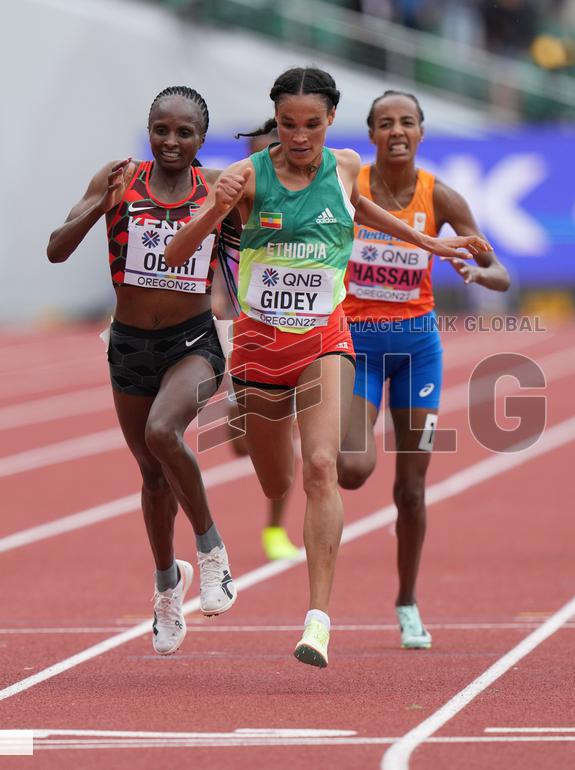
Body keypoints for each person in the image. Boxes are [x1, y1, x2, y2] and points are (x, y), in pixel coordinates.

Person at [165, 67, 487, 668]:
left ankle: (318, 620)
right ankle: (271, 447)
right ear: (277, 122)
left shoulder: (343, 166)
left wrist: (437, 247)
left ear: (331, 121)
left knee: (322, 466)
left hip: (326, 340)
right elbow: (177, 251)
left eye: (312, 124)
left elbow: (362, 209)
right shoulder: (246, 177)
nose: (300, 136)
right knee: (276, 479)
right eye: (289, 125)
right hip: (259, 348)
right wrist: (216, 211)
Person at [46, 86, 237, 657]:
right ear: (149, 129)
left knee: (163, 433)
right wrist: (94, 205)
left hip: (195, 343)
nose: (171, 141)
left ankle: (211, 551)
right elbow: (56, 249)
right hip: (129, 345)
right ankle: (166, 588)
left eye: (184, 133)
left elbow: (262, 250)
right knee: (153, 477)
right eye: (161, 129)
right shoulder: (120, 177)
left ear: (202, 139)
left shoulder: (220, 187)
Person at [338, 90, 510, 649]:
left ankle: (407, 601)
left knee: (411, 492)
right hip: (356, 347)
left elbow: (498, 269)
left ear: (421, 132)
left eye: (406, 122)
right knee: (352, 469)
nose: (396, 132)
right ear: (370, 134)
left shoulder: (441, 196)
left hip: (417, 353)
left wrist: (483, 276)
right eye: (385, 123)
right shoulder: (349, 187)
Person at [213, 129, 301, 562]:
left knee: (289, 436)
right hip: (241, 330)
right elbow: (211, 262)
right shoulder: (228, 203)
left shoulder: (298, 204)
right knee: (240, 442)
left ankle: (274, 529)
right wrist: (216, 303)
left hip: (296, 333)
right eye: (255, 156)